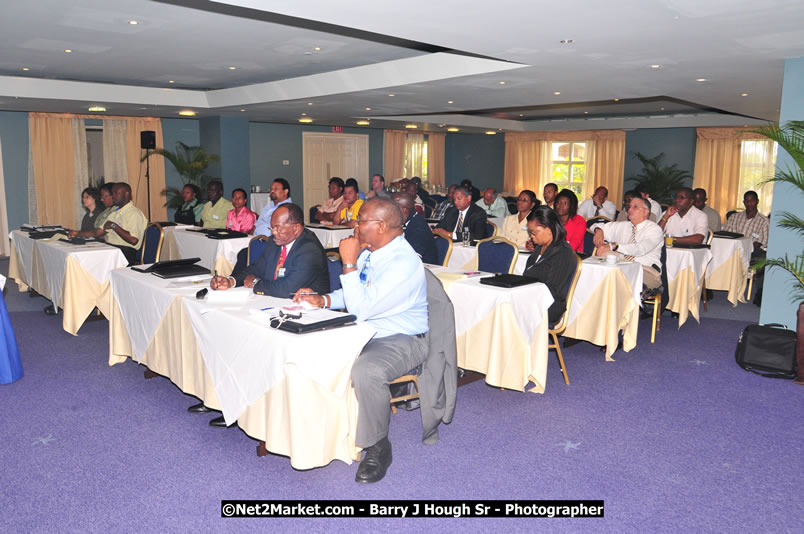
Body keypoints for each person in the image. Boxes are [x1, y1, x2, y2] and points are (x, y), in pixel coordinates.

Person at [294, 197, 429, 484]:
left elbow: (361, 307)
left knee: (367, 371)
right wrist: (325, 299)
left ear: (381, 226)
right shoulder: (373, 251)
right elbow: (356, 293)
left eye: (360, 220)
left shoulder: (404, 262)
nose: (355, 226)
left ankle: (378, 445)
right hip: (364, 329)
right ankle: (321, 428)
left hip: (400, 338)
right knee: (303, 346)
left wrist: (348, 262)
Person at [211, 203, 329, 297]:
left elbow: (287, 289)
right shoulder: (276, 241)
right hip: (275, 301)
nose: (273, 233)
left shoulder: (310, 250)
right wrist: (231, 281)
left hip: (306, 309)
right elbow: (257, 267)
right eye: (272, 228)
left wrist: (256, 283)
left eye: (278, 228)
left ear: (296, 228)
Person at [592, 197, 664, 292]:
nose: (630, 209)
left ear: (646, 212)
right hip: (622, 268)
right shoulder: (624, 225)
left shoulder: (654, 229)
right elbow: (595, 224)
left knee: (615, 281)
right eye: (629, 207)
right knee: (599, 274)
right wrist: (599, 231)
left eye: (635, 207)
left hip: (647, 270)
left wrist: (616, 246)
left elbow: (641, 249)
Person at [522, 206, 578, 324]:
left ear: (549, 229)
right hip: (533, 297)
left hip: (549, 304)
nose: (531, 236)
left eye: (534, 232)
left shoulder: (563, 252)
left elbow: (552, 289)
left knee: (505, 309)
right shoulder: (540, 248)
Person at [724, 190, 769, 305]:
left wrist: (745, 247)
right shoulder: (734, 217)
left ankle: (760, 294)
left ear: (757, 202)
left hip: (753, 252)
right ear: (744, 202)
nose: (749, 204)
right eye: (747, 201)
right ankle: (707, 289)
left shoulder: (764, 221)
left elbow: (761, 242)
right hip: (732, 251)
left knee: (762, 259)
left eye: (752, 201)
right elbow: (727, 235)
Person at [103, 182, 148, 266]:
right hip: (111, 247)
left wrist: (114, 226)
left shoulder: (134, 214)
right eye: (112, 193)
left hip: (125, 252)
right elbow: (103, 230)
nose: (113, 196)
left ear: (126, 194)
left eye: (116, 193)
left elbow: (133, 240)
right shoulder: (115, 212)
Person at [393, 192, 438, 264]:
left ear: (403, 210)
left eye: (392, 207)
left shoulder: (418, 227)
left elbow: (412, 260)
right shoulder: (402, 222)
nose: (388, 210)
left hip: (424, 269)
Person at [553, 189, 586, 253]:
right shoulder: (551, 219)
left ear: (571, 206)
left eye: (565, 203)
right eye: (558, 202)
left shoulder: (580, 221)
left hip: (573, 257)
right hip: (552, 256)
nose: (560, 206)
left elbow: (574, 244)